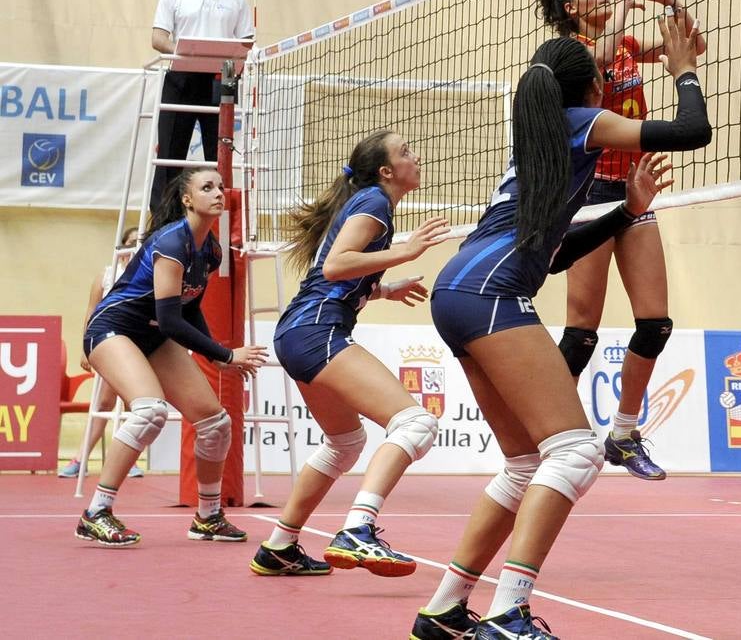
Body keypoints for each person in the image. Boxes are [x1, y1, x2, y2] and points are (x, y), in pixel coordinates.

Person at [411, 13, 711, 639]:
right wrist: (683, 68)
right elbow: (691, 130)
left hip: (459, 288)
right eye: (603, 75)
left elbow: (558, 253)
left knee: (525, 464)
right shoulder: (583, 121)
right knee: (574, 451)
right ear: (594, 86)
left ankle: (445, 608)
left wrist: (627, 211)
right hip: (489, 292)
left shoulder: (539, 145)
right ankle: (509, 611)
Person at [249, 130, 449, 578]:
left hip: (301, 329)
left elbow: (333, 278)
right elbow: (337, 265)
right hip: (316, 331)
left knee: (346, 443)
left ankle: (279, 546)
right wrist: (406, 252)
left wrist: (379, 289)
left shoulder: (369, 204)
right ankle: (359, 529)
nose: (415, 156)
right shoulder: (375, 204)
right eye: (405, 151)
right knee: (415, 422)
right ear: (385, 171)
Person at [536, 0, 705, 480]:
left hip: (632, 186)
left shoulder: (625, 40)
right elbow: (600, 61)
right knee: (582, 331)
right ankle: (550, 434)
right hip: (586, 195)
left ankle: (624, 435)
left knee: (656, 323)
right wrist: (627, 10)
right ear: (570, 9)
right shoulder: (567, 54)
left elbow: (692, 47)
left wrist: (674, 6)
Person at [75, 166, 268, 547]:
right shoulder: (173, 243)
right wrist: (226, 354)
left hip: (153, 333)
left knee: (215, 423)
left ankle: (208, 516)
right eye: (207, 187)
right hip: (112, 330)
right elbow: (169, 320)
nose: (218, 192)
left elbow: (189, 305)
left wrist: (212, 353)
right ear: (186, 199)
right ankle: (96, 512)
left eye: (220, 186)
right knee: (150, 410)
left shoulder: (209, 250)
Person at [149, 0, 254, 212]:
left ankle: (219, 225)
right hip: (181, 79)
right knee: (170, 156)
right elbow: (158, 38)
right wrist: (189, 54)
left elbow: (247, 42)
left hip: (220, 83)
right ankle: (163, 221)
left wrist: (223, 57)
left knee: (219, 157)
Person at [60, 227, 144, 479]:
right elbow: (91, 312)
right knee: (105, 403)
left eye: (140, 242)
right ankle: (81, 458)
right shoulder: (107, 276)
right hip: (111, 345)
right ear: (122, 246)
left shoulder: (149, 273)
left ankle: (128, 460)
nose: (135, 247)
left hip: (141, 345)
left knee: (136, 405)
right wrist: (87, 349)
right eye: (131, 242)